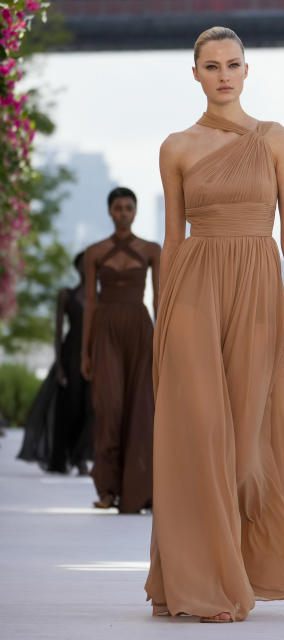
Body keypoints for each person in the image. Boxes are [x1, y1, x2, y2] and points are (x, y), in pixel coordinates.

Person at [144, 26, 284, 623]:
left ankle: (233, 564)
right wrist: (162, 318)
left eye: (233, 64)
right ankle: (200, 582)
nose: (223, 75)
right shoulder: (176, 147)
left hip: (260, 291)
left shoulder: (276, 140)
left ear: (246, 69)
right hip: (192, 294)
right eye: (211, 66)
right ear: (195, 75)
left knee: (246, 448)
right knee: (201, 434)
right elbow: (173, 238)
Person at [81, 188, 160, 512]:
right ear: (110, 212)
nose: (124, 212)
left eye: (129, 207)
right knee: (108, 407)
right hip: (106, 328)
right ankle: (108, 489)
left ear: (136, 211)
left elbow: (159, 299)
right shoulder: (95, 252)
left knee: (142, 408)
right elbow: (89, 303)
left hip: (141, 330)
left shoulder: (153, 250)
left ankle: (141, 490)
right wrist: (85, 352)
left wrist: (162, 342)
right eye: (118, 207)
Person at [17, 251, 95, 474]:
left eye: (90, 264)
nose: (85, 268)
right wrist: (59, 365)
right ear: (76, 267)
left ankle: (82, 458)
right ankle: (63, 458)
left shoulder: (100, 297)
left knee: (90, 409)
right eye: (82, 264)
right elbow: (58, 332)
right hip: (70, 356)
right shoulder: (66, 295)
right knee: (68, 409)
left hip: (93, 357)